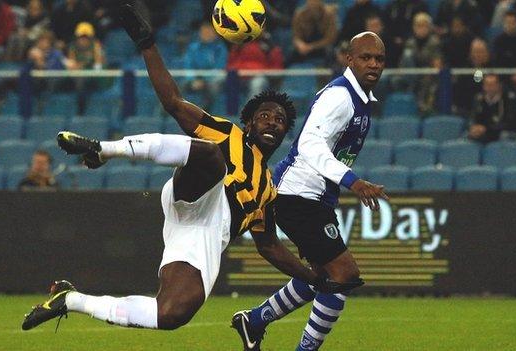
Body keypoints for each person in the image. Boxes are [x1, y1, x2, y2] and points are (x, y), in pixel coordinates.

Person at [21, 0, 353, 333]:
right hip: (198, 193)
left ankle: (71, 300)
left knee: (171, 314)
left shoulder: (268, 189)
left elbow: (269, 246)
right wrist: (147, 45)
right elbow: (174, 104)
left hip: (205, 235)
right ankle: (103, 150)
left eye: (280, 120)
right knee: (211, 156)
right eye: (264, 115)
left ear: (284, 131)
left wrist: (314, 278)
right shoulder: (228, 133)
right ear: (249, 123)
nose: (272, 121)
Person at [232, 32, 389, 351]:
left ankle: (256, 320)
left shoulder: (358, 100)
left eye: (379, 59)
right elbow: (309, 144)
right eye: (365, 57)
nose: (373, 63)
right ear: (349, 59)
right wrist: (353, 181)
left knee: (321, 273)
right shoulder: (340, 98)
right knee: (343, 274)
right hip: (297, 194)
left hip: (310, 196)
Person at [183, 21, 228, 112]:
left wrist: (204, 80)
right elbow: (188, 66)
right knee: (177, 87)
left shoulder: (220, 48)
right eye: (203, 32)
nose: (205, 34)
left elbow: (219, 68)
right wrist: (192, 79)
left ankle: (205, 114)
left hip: (212, 80)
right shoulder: (193, 48)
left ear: (215, 34)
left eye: (209, 32)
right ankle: (165, 116)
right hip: (195, 79)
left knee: (214, 86)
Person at [468, 74, 516, 143]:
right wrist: (474, 127)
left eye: (492, 84)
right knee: (467, 135)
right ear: (483, 86)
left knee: (504, 136)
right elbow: (473, 117)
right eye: (487, 84)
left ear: (499, 85)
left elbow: (510, 122)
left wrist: (486, 129)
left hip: (505, 131)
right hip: (484, 132)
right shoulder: (478, 99)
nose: (489, 87)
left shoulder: (509, 99)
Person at [288, 0, 338, 66]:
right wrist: (299, 44)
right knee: (291, 57)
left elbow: (330, 38)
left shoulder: (329, 15)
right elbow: (295, 35)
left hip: (322, 48)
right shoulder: (299, 14)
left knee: (331, 54)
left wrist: (311, 47)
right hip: (304, 47)